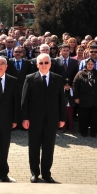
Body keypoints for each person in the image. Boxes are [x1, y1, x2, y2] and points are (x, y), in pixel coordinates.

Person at [21, 53, 66, 183]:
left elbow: (61, 100)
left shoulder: (57, 79)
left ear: (50, 64)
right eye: (41, 63)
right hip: (34, 119)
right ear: (37, 65)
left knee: (48, 147)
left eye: (46, 62)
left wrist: (62, 118)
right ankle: (35, 173)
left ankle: (46, 173)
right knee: (34, 146)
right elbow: (24, 101)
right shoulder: (30, 78)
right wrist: (25, 118)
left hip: (51, 119)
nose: (44, 65)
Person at [72, 58, 97, 137]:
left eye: (92, 64)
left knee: (95, 117)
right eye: (88, 64)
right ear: (86, 64)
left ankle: (94, 131)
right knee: (83, 117)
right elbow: (75, 86)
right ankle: (83, 131)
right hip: (84, 100)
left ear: (94, 65)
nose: (90, 66)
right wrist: (76, 97)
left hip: (96, 99)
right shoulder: (80, 74)